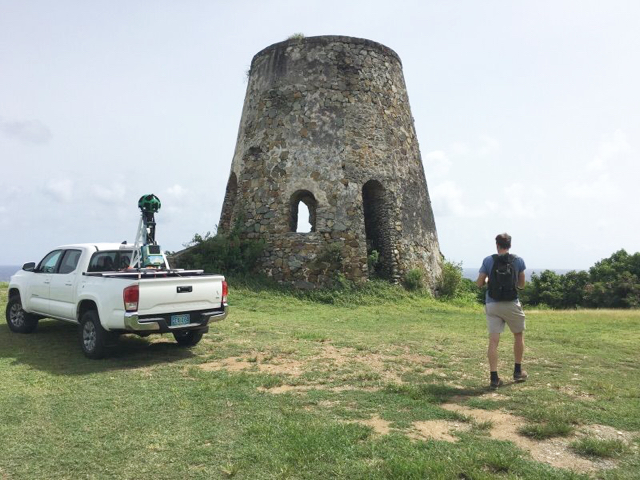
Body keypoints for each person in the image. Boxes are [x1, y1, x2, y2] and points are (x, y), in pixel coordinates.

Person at [476, 233, 527, 389]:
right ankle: (518, 372)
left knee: (493, 341)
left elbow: (479, 283)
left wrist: (487, 280)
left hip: (492, 303)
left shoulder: (488, 260)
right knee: (518, 335)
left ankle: (494, 378)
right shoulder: (518, 260)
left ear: (496, 245)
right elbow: (522, 284)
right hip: (511, 303)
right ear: (510, 245)